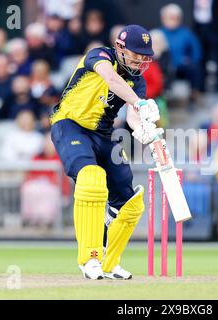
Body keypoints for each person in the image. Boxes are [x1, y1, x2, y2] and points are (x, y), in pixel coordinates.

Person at [50, 25, 162, 280]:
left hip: (103, 134)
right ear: (120, 48)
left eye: (145, 56)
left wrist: (142, 130)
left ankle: (109, 263)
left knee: (130, 203)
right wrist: (140, 103)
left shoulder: (138, 81)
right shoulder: (99, 55)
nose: (140, 60)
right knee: (91, 178)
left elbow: (134, 115)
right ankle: (89, 259)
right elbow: (111, 80)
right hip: (70, 125)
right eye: (136, 54)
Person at [160, 3, 203, 97]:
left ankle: (194, 95)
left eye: (176, 18)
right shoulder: (159, 33)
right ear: (163, 18)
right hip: (164, 67)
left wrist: (191, 60)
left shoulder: (186, 33)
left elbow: (196, 50)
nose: (173, 20)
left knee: (194, 68)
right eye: (170, 17)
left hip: (181, 67)